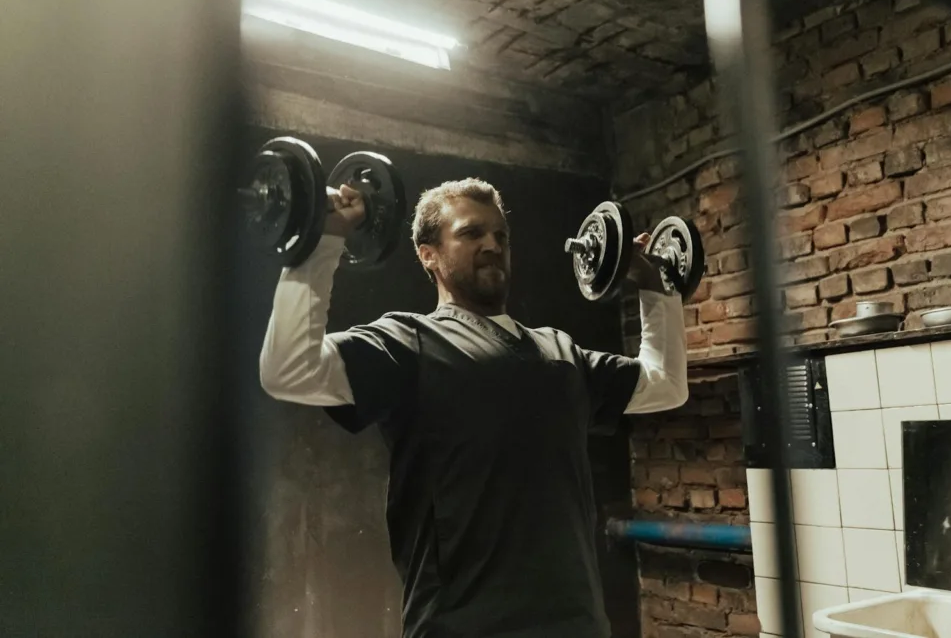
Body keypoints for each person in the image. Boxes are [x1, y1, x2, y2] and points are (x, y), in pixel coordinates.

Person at [259, 177, 690, 638]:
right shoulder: (409, 344)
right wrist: (323, 239)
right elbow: (289, 370)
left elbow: (665, 385)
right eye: (470, 233)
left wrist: (655, 286)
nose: (492, 245)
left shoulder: (562, 353)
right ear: (429, 254)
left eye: (501, 236)